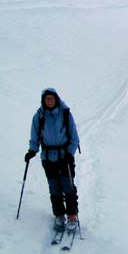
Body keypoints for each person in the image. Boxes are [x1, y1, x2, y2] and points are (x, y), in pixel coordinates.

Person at [24, 88, 80, 232]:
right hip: (48, 157)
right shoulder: (39, 116)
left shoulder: (66, 114)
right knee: (54, 188)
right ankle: (59, 216)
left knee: (68, 186)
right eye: (47, 99)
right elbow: (34, 136)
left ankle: (72, 215)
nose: (49, 101)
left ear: (56, 99)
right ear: (43, 100)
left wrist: (70, 153)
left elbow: (74, 137)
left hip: (64, 157)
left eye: (51, 98)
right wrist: (32, 151)